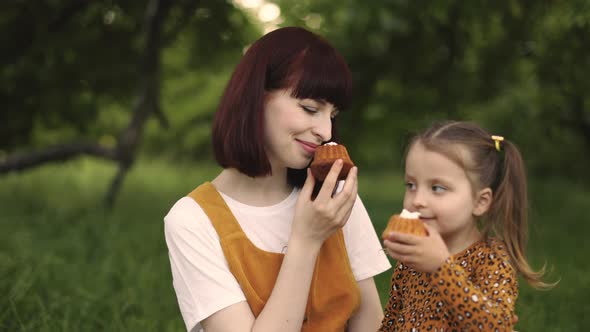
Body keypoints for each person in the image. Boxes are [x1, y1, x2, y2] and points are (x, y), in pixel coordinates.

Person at [164, 27, 391, 332]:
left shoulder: (333, 194)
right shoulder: (192, 221)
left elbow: (370, 322)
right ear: (256, 97)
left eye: (332, 115)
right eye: (310, 108)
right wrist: (306, 240)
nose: (325, 131)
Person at [379, 121, 557, 331]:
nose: (417, 200)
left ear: (480, 202)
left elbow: (496, 326)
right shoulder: (412, 258)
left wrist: (441, 268)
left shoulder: (491, 259)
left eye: (437, 188)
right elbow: (392, 320)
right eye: (411, 185)